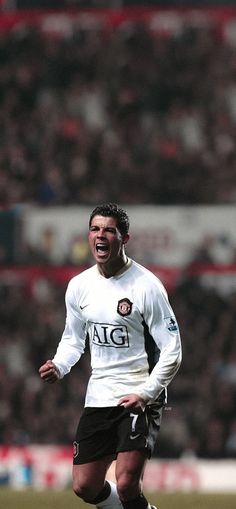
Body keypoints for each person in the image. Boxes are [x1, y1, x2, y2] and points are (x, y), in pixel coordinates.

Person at [39, 203, 182, 509]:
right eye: (94, 229)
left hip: (139, 392)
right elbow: (73, 340)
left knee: (128, 482)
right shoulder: (79, 286)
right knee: (84, 486)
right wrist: (59, 365)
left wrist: (146, 393)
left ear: (124, 238)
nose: (100, 235)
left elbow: (173, 349)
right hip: (100, 395)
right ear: (88, 236)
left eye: (108, 230)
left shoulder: (147, 287)